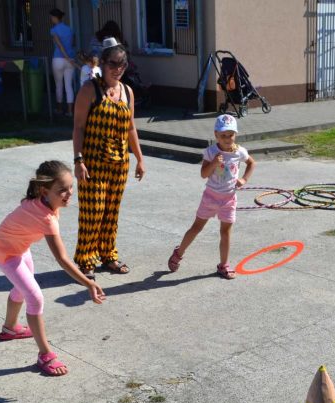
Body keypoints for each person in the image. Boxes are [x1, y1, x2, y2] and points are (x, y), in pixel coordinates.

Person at [0, 161, 106, 376]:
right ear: (44, 191)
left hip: (19, 248)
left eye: (71, 187)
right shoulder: (46, 218)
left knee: (21, 289)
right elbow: (62, 259)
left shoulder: (42, 201)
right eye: (62, 190)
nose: (69, 193)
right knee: (34, 297)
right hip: (6, 252)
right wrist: (88, 282)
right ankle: (45, 355)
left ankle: (10, 328)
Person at [71, 38, 146, 280]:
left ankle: (108, 255)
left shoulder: (127, 91)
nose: (118, 68)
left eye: (123, 63)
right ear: (102, 63)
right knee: (93, 211)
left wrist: (140, 159)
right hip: (93, 163)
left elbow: (131, 128)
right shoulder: (89, 90)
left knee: (112, 212)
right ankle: (85, 260)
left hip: (119, 162)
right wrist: (78, 160)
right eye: (113, 63)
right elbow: (78, 128)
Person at [167, 114, 255, 280]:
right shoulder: (211, 152)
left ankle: (224, 265)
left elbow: (252, 163)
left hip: (229, 198)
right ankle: (178, 253)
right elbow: (204, 174)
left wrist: (244, 179)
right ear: (216, 135)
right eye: (223, 135)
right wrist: (214, 162)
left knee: (226, 231)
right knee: (197, 227)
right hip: (210, 197)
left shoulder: (239, 152)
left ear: (235, 134)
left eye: (231, 135)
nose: (227, 139)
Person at [49, 8, 77, 116]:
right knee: (69, 85)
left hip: (59, 59)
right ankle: (70, 111)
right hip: (71, 59)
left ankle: (60, 109)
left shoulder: (54, 30)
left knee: (59, 85)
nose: (51, 19)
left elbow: (59, 45)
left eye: (52, 17)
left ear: (56, 18)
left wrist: (65, 56)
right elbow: (73, 44)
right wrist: (69, 57)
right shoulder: (70, 29)